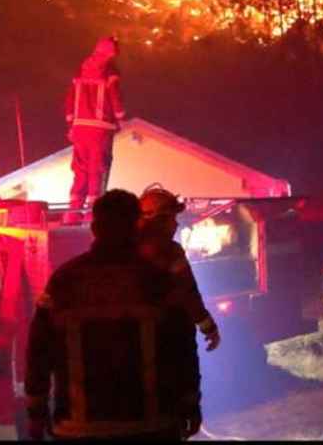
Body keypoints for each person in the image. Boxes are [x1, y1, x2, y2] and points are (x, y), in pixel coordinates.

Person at [25, 189, 201, 441]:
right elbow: (182, 348)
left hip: (79, 429)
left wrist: (36, 412)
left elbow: (39, 351)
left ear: (95, 228)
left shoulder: (64, 281)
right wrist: (190, 404)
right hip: (151, 427)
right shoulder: (158, 281)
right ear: (135, 227)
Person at [137, 186, 221, 352]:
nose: (175, 224)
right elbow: (188, 292)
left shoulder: (123, 247)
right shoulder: (171, 251)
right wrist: (208, 327)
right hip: (166, 335)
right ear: (157, 219)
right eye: (171, 218)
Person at [64, 36, 126, 215]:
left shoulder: (81, 70)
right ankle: (93, 213)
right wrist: (120, 117)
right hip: (100, 128)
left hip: (79, 128)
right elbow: (114, 97)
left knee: (80, 170)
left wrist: (71, 123)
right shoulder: (109, 71)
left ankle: (73, 214)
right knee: (96, 169)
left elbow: (70, 98)